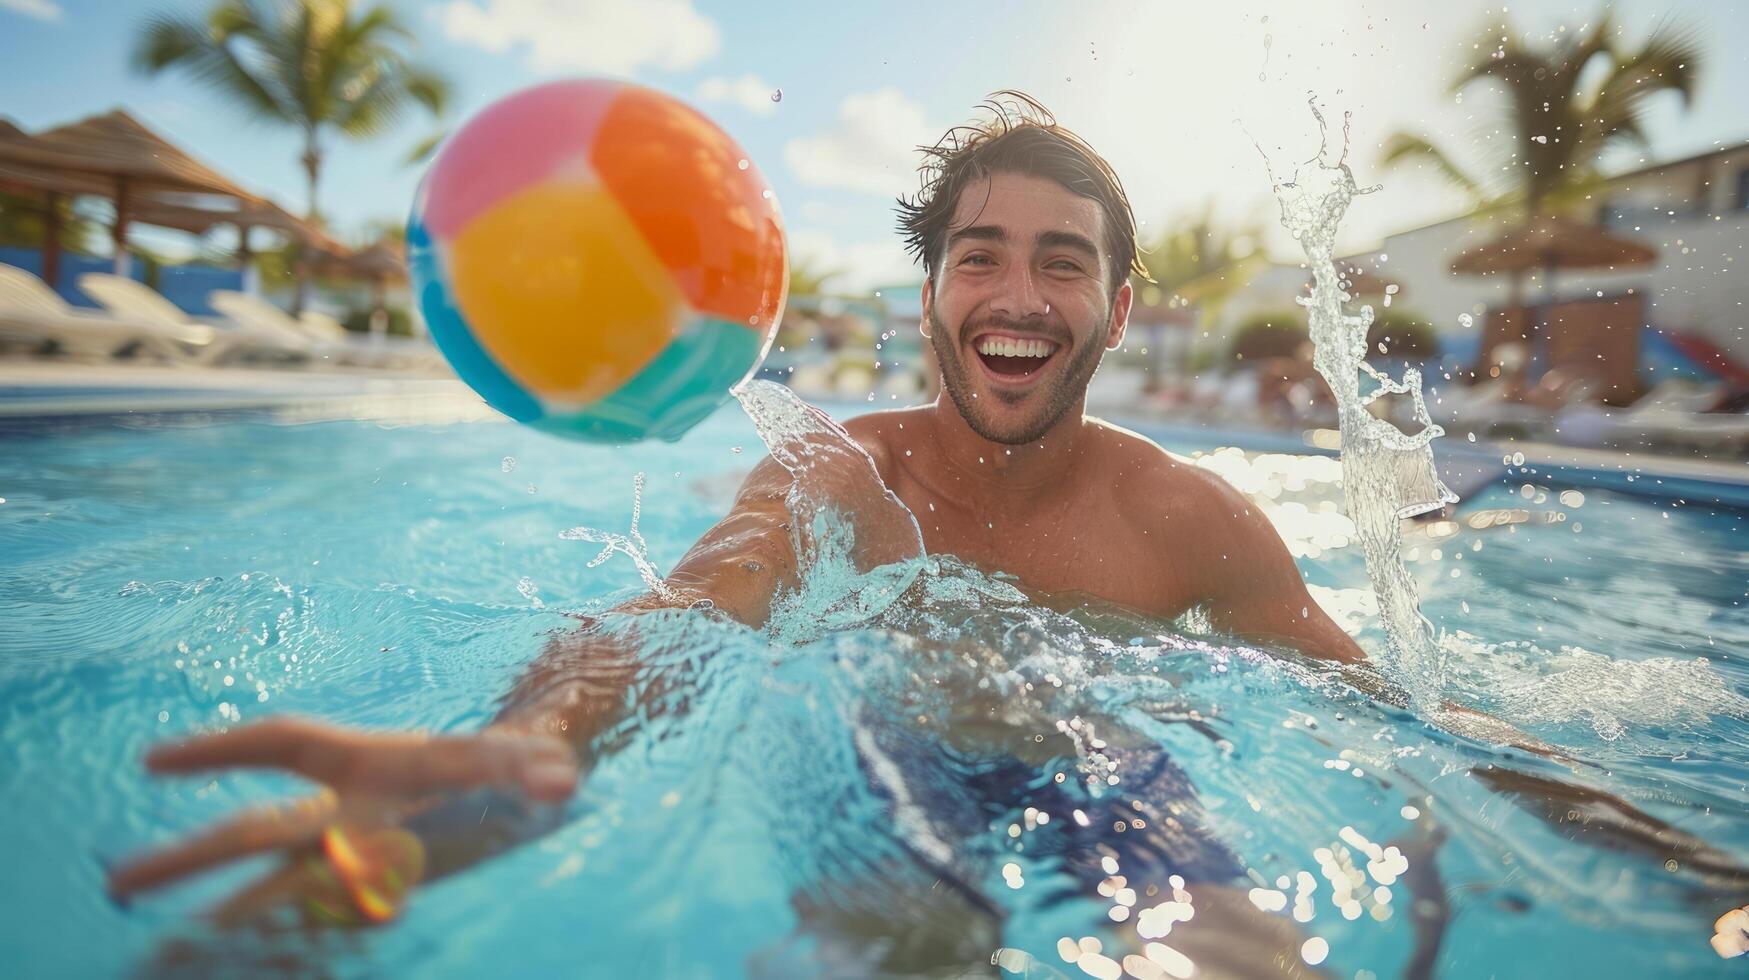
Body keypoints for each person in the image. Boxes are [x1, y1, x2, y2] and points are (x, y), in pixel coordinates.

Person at [105, 93, 1413, 969]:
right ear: (934, 292)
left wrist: (1566, 792)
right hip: (881, 760)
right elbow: (683, 609)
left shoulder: (1187, 518)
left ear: (1116, 310)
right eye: (981, 256)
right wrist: (523, 738)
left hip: (1106, 773)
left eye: (1062, 262)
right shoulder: (833, 474)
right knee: (887, 947)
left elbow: (1372, 702)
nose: (1018, 294)